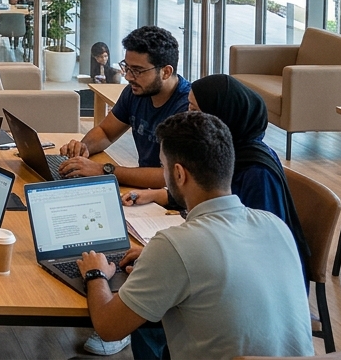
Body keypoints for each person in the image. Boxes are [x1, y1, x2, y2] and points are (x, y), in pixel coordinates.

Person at [77, 111, 314, 360]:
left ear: (179, 174)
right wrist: (157, 261)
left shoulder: (174, 246)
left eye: (162, 166)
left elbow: (108, 328)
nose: (164, 173)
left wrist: (95, 273)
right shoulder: (275, 225)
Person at [123, 75, 309, 270]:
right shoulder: (229, 151)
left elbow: (254, 249)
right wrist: (159, 195)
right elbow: (211, 191)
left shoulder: (257, 172)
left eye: (194, 110)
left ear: (220, 116)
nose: (188, 116)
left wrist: (169, 262)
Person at [59, 26, 190, 188]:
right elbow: (106, 132)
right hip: (144, 191)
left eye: (137, 71)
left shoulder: (188, 108)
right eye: (126, 67)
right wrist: (83, 149)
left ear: (166, 72)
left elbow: (170, 176)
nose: (128, 77)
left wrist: (104, 170)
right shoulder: (135, 93)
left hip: (172, 200)